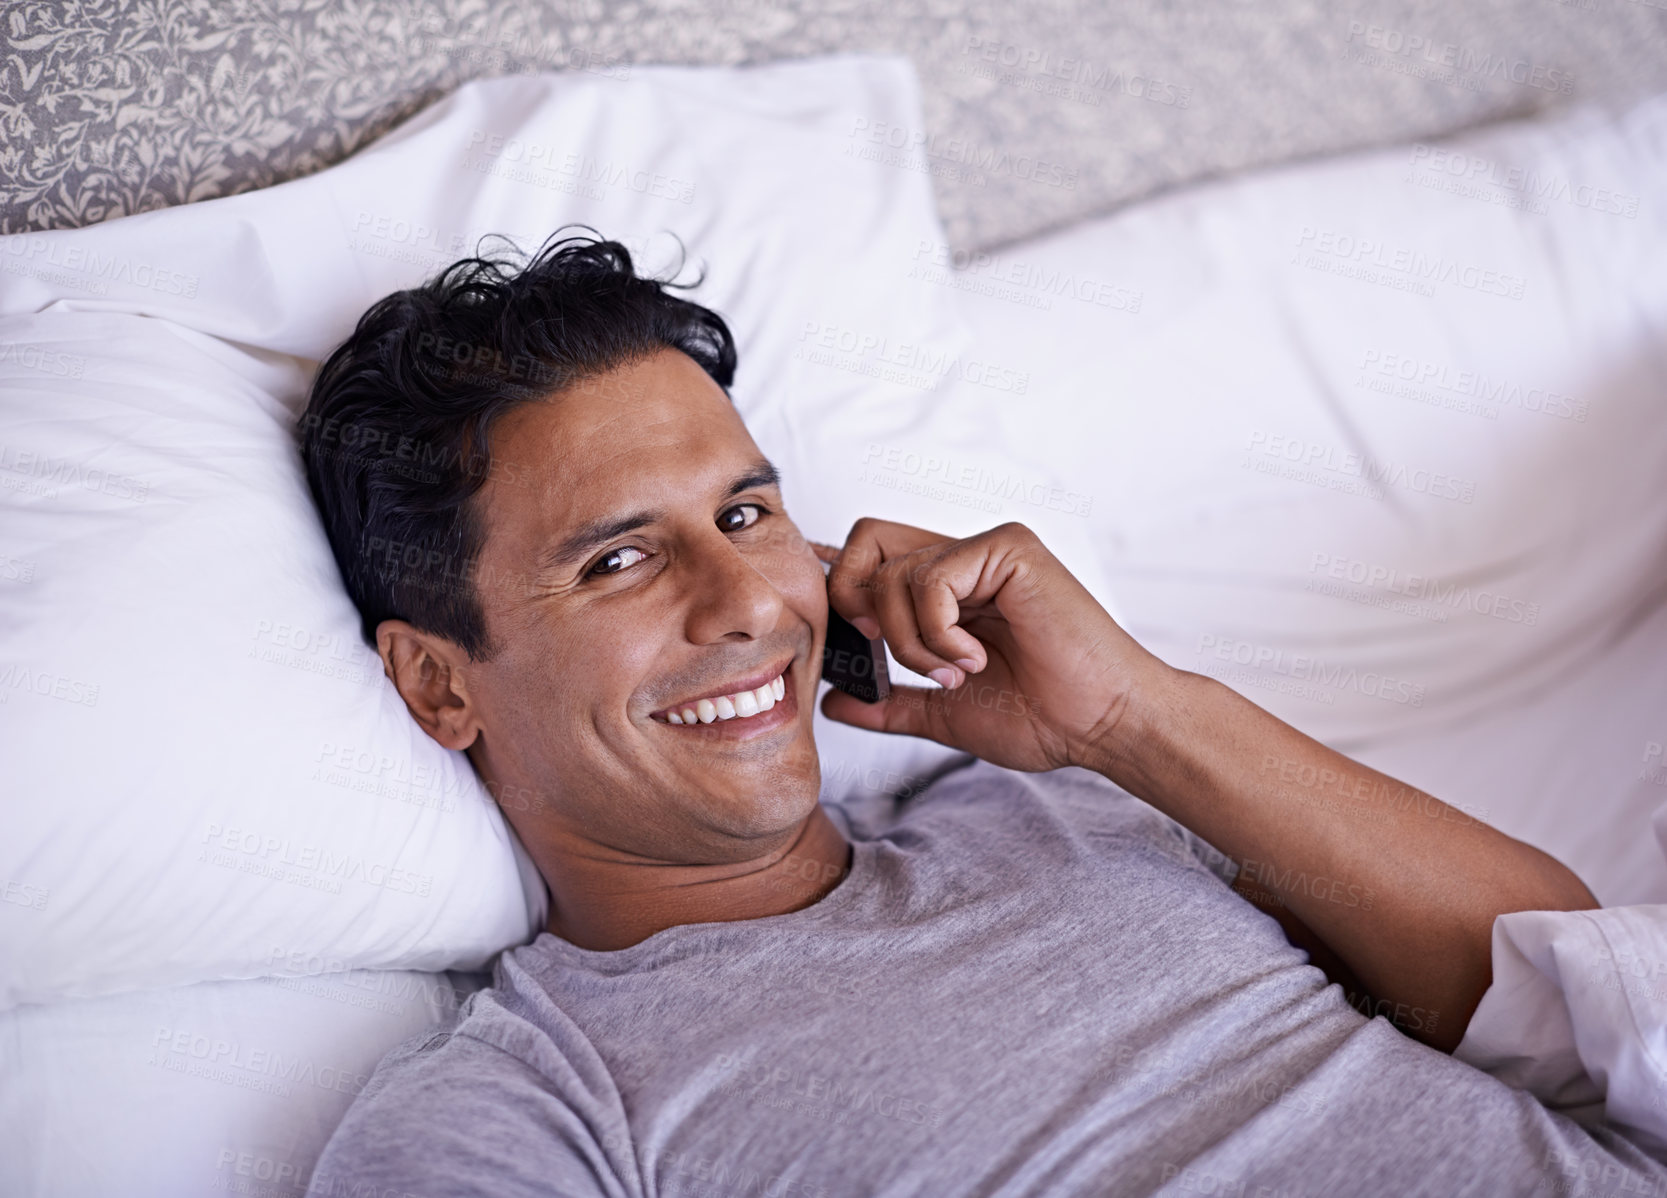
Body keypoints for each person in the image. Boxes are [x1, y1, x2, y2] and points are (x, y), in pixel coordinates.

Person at [296, 231, 1661, 1197]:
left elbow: (1562, 992)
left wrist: (1130, 714)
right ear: (438, 680)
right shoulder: (524, 1112)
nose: (744, 602)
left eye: (747, 513)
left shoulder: (1073, 805)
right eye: (618, 557)